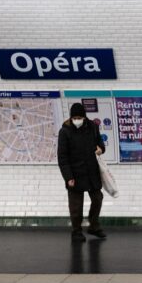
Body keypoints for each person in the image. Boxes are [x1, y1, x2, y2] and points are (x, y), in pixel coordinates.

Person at [57, 103, 107, 242]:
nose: (77, 120)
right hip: (74, 173)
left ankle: (94, 226)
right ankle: (76, 231)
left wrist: (101, 149)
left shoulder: (93, 127)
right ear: (71, 118)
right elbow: (62, 157)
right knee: (76, 205)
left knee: (97, 198)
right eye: (74, 118)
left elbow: (101, 145)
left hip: (92, 171)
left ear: (84, 117)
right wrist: (68, 177)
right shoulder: (65, 131)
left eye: (79, 118)